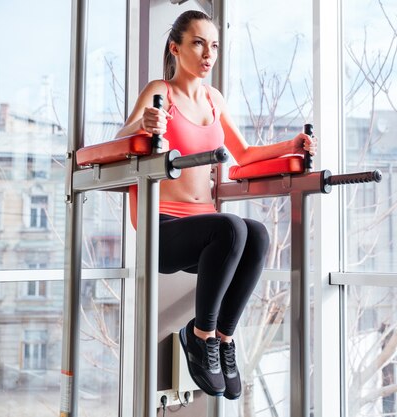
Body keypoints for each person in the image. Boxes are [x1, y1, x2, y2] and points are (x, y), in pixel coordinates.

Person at [115, 10, 316, 400]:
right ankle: (199, 334)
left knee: (256, 232)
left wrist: (290, 145)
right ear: (176, 48)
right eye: (198, 43)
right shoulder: (161, 91)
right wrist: (144, 125)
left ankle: (221, 339)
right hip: (162, 228)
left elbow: (243, 154)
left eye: (215, 46)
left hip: (203, 231)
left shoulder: (213, 99)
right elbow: (121, 137)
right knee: (231, 226)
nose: (208, 54)